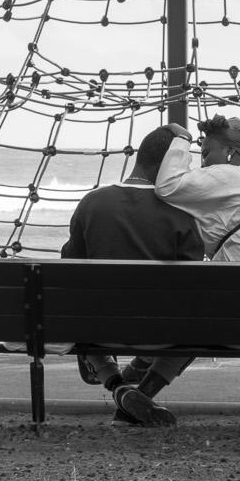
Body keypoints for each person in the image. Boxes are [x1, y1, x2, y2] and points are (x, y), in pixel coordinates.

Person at [137, 112, 240, 429]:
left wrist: (181, 138)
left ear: (230, 154)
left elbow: (167, 186)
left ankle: (135, 393)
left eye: (207, 152)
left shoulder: (230, 175)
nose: (204, 163)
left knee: (196, 320)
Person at [59, 125, 202, 426]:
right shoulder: (181, 213)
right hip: (161, 333)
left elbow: (70, 266)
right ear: (171, 163)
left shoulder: (92, 202)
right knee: (200, 328)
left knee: (80, 311)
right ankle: (142, 394)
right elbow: (193, 285)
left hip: (98, 331)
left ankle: (118, 386)